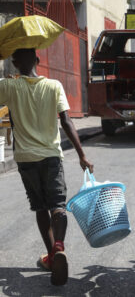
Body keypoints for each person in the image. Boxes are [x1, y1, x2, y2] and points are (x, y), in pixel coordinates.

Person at [0, 48, 94, 286]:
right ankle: (59, 247)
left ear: (15, 63)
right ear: (38, 61)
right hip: (51, 156)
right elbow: (66, 120)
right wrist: (82, 155)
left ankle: (52, 256)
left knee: (40, 207)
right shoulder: (54, 86)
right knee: (57, 205)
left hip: (26, 158)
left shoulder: (9, 87)